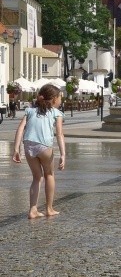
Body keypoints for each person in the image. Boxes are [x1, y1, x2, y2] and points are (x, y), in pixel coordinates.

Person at [11, 84, 66, 219]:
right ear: (54, 99)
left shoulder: (29, 111)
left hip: (28, 146)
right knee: (49, 175)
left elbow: (20, 129)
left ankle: (33, 210)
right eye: (59, 98)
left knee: (37, 177)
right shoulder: (56, 113)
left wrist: (16, 149)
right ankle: (49, 208)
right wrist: (63, 154)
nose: (60, 101)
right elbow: (59, 134)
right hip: (44, 146)